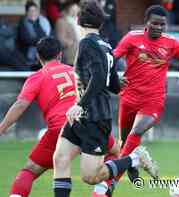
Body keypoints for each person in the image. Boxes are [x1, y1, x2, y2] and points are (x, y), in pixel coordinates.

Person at [52, 1, 159, 197]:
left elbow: (100, 78)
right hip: (81, 118)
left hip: (94, 117)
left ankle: (134, 158)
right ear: (101, 24)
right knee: (60, 159)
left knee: (90, 176)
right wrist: (118, 82)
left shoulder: (87, 44)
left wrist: (79, 104)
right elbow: (112, 84)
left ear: (78, 20)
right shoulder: (105, 45)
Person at [90, 4, 179, 196]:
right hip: (129, 98)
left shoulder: (172, 44)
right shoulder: (132, 39)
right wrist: (114, 79)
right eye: (155, 23)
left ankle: (110, 183)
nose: (158, 27)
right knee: (125, 142)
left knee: (137, 131)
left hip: (153, 101)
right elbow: (111, 58)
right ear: (146, 23)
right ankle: (132, 161)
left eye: (162, 24)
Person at [0, 37, 119, 197]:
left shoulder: (37, 77)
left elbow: (20, 104)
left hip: (60, 129)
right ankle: (100, 192)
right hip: (88, 122)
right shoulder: (74, 70)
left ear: (38, 57)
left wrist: (2, 128)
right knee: (115, 152)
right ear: (60, 55)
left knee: (30, 170)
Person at [18, 1, 52, 68]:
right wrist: (42, 41)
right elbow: (26, 40)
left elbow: (48, 37)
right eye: (30, 11)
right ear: (27, 12)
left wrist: (37, 23)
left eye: (35, 11)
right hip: (28, 57)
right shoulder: (23, 23)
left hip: (43, 55)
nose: (33, 13)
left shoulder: (43, 22)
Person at [55, 1, 80, 66]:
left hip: (81, 54)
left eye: (76, 9)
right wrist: (72, 43)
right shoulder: (62, 21)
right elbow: (60, 39)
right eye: (72, 9)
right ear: (68, 9)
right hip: (69, 54)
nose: (74, 12)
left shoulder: (79, 20)